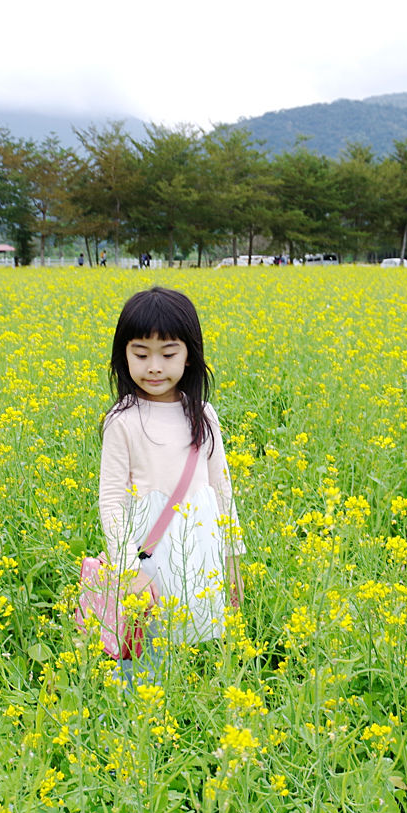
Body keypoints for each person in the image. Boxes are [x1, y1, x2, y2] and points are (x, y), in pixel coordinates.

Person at [98, 287, 244, 680]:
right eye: (141, 354)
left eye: (168, 353)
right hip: (149, 553)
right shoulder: (123, 420)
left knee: (197, 645)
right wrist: (129, 570)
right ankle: (140, 721)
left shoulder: (203, 414)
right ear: (122, 355)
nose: (154, 367)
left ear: (190, 355)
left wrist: (232, 561)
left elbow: (222, 490)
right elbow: (111, 501)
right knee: (145, 648)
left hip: (199, 547)